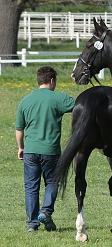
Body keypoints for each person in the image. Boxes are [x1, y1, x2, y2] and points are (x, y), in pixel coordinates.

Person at [15, 66, 76, 233]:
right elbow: (80, 105)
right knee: (52, 182)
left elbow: (19, 129)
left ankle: (32, 224)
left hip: (30, 151)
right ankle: (46, 211)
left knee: (31, 186)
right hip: (51, 151)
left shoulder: (25, 101)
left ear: (39, 80)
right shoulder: (59, 99)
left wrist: (21, 147)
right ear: (52, 81)